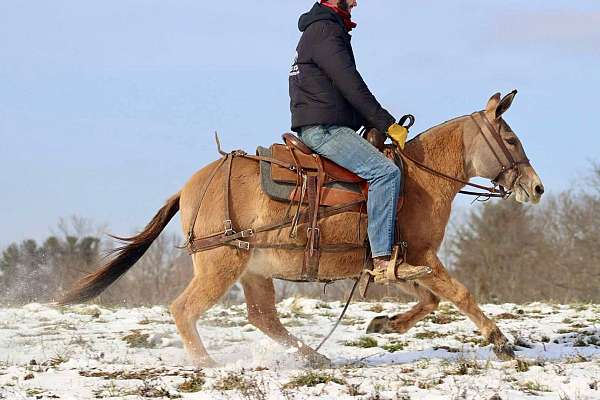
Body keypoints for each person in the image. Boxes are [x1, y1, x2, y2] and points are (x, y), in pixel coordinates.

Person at [289, 0, 432, 280]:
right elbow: (351, 84)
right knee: (386, 173)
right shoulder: (325, 30)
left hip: (325, 123)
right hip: (323, 129)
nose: (355, 2)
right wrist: (387, 124)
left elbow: (342, 89)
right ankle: (381, 261)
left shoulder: (322, 29)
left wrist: (372, 123)